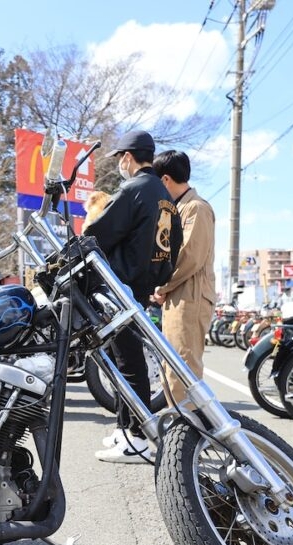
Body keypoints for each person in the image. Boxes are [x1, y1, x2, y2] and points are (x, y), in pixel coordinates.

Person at [84, 130, 182, 464]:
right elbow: (173, 246)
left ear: (128, 157)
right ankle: (125, 429)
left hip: (120, 286)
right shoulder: (164, 196)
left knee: (127, 364)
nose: (120, 164)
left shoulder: (135, 189)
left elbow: (98, 233)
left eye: (120, 158)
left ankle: (136, 437)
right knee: (123, 361)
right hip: (140, 287)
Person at [151, 150, 216, 404]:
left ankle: (186, 435)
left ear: (165, 180)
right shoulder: (181, 208)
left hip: (190, 295)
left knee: (183, 368)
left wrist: (162, 285)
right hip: (181, 293)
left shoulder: (196, 208)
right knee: (174, 366)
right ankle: (180, 432)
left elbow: (190, 256)